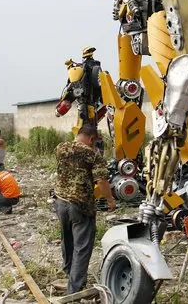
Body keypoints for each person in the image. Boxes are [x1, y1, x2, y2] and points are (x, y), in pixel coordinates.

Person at [54, 123, 116, 294]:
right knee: (82, 245)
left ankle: (68, 271)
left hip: (60, 202)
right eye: (94, 142)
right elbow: (101, 181)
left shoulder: (60, 148)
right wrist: (110, 200)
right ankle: (75, 287)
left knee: (67, 238)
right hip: (80, 204)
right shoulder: (93, 155)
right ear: (91, 139)